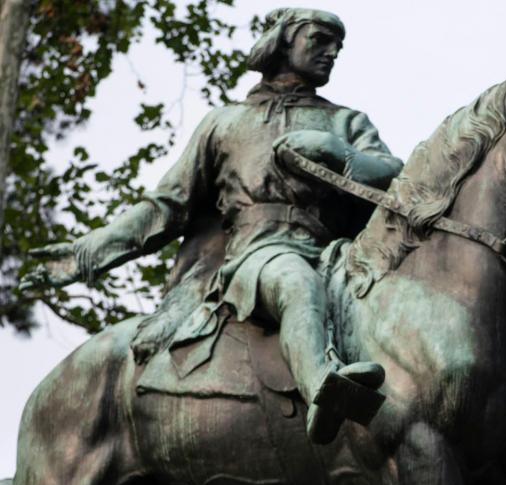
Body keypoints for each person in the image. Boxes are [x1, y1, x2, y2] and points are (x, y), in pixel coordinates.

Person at [22, 9, 404, 443]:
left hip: (339, 255)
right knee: (295, 280)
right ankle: (323, 386)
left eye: (338, 45)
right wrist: (87, 252)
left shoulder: (347, 122)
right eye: (320, 40)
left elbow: (395, 177)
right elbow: (167, 205)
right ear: (283, 42)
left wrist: (341, 152)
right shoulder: (225, 123)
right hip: (260, 254)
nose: (332, 52)